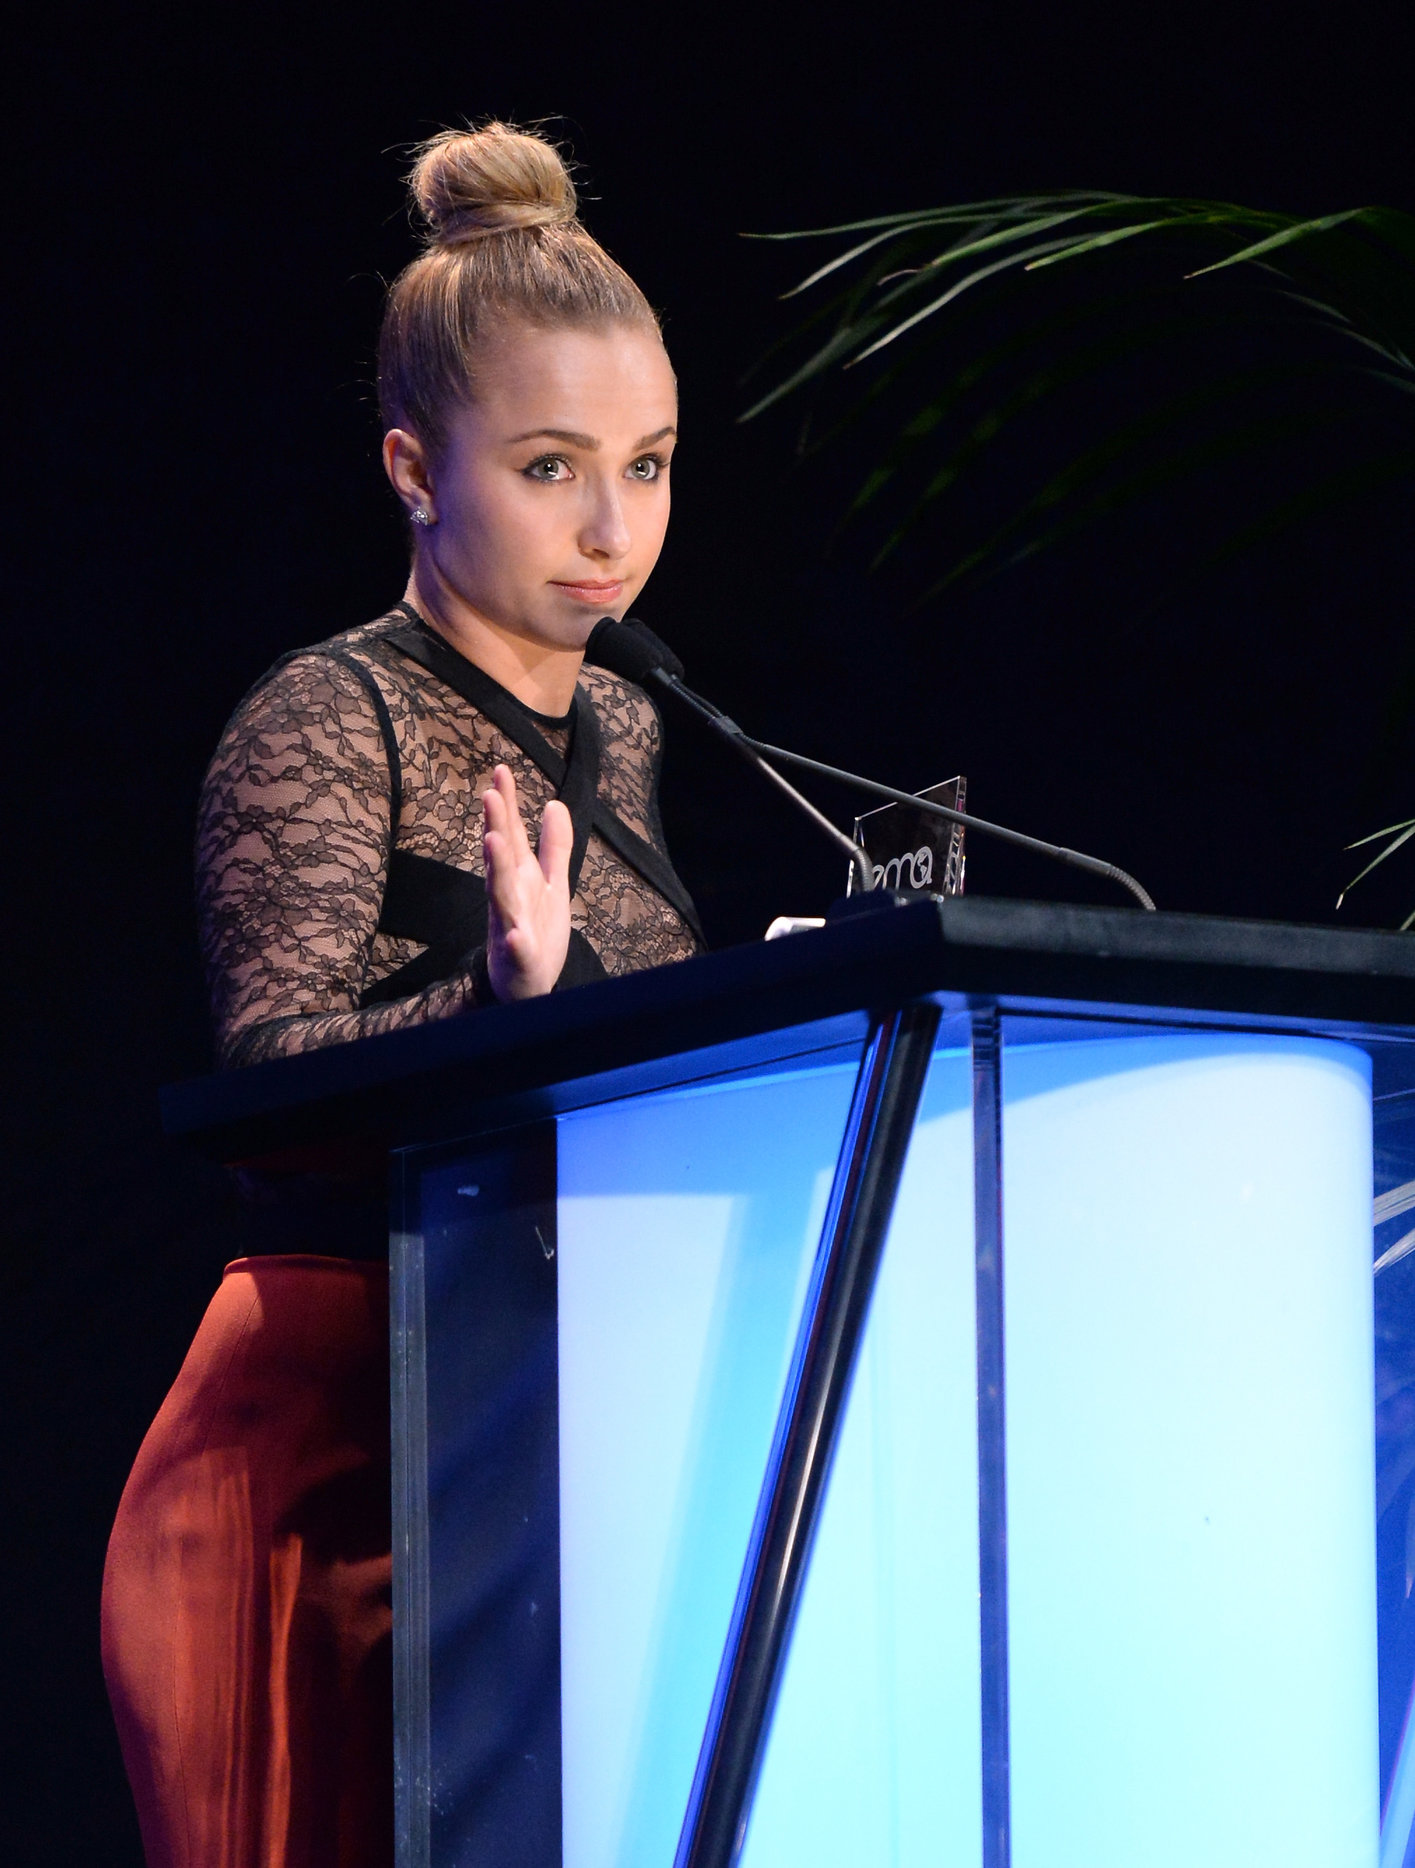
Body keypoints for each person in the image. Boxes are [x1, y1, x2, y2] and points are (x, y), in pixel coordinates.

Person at [101, 122, 702, 1868]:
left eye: (651, 466)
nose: (613, 531)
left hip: (550, 1423)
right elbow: (265, 1075)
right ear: (413, 467)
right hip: (322, 1453)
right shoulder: (325, 717)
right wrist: (491, 1017)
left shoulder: (639, 727)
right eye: (550, 467)